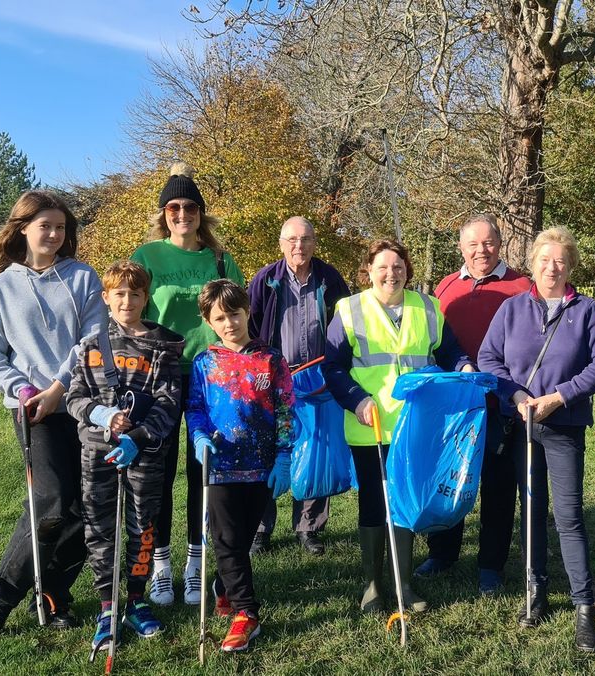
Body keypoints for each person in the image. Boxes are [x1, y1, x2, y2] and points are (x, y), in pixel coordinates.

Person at [0, 191, 110, 637]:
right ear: (23, 229)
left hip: (84, 404)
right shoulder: (1, 288)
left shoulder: (83, 278)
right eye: (44, 225)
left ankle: (53, 593)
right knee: (51, 503)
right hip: (33, 409)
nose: (53, 234)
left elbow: (93, 340)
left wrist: (59, 388)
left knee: (87, 508)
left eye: (61, 227)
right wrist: (27, 389)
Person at [479, 227, 595, 652]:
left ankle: (584, 609)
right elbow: (489, 358)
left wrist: (560, 397)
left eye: (560, 260)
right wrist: (516, 394)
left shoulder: (587, 311)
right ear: (533, 263)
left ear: (570, 265)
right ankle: (534, 592)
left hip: (564, 426)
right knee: (532, 510)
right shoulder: (511, 309)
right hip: (521, 426)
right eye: (544, 259)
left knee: (569, 516)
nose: (551, 267)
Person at [323, 239, 473, 614]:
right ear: (369, 271)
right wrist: (357, 400)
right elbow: (333, 367)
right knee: (374, 503)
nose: (392, 273)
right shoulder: (348, 309)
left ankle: (404, 583)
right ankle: (373, 584)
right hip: (370, 425)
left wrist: (465, 368)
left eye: (398, 266)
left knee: (404, 503)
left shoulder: (427, 306)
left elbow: (450, 351)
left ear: (407, 268)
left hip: (417, 426)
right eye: (383, 267)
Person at [130, 162, 245, 607]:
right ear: (164, 213)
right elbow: (129, 310)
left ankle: (196, 562)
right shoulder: (147, 257)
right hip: (156, 375)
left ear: (201, 213)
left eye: (190, 206)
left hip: (210, 376)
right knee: (155, 473)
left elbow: (235, 317)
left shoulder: (220, 260)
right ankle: (159, 563)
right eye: (174, 207)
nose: (182, 214)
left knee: (204, 469)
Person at [66, 260, 184, 650]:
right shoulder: (90, 344)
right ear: (106, 298)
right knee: (99, 528)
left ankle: (135, 599)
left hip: (145, 454)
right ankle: (106, 606)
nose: (127, 301)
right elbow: (75, 397)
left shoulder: (166, 344)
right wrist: (102, 415)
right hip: (97, 452)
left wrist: (138, 435)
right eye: (119, 294)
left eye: (135, 294)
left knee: (141, 525)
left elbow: (169, 402)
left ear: (145, 297)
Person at [413, 214, 531, 595]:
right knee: (450, 482)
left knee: (498, 490)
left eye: (488, 242)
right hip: (454, 412)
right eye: (473, 244)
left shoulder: (522, 286)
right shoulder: (445, 288)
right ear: (461, 247)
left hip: (503, 408)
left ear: (500, 243)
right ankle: (443, 553)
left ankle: (490, 566)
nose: (481, 251)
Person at [186, 279, 293, 652]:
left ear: (247, 311)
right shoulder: (204, 363)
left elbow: (285, 409)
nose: (229, 322)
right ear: (209, 322)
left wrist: (284, 456)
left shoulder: (271, 360)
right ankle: (247, 613)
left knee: (242, 539)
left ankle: (223, 586)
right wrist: (198, 436)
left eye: (234, 313)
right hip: (219, 465)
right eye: (220, 317)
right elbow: (196, 408)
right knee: (226, 541)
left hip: (262, 466)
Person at [247, 216, 350, 556]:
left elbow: (346, 323)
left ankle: (309, 527)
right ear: (281, 244)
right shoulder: (265, 280)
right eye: (291, 240)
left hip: (318, 379)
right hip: (275, 378)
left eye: (305, 239)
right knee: (267, 452)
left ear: (314, 242)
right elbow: (250, 327)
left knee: (315, 451)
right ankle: (260, 528)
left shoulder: (329, 278)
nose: (298, 246)